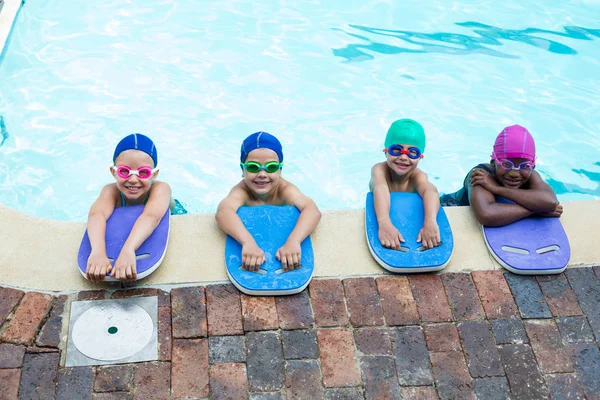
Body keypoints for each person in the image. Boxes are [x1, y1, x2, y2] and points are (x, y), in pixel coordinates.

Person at [85, 133, 185, 282]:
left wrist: (128, 249)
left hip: (165, 214)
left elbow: (151, 216)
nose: (133, 180)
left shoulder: (161, 188)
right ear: (114, 172)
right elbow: (96, 215)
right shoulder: (111, 191)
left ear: (154, 175)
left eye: (143, 173)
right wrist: (98, 251)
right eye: (124, 171)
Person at [216, 131, 321, 272]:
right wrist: (247, 242)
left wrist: (294, 241)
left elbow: (312, 211)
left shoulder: (285, 190)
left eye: (271, 167)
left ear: (280, 170)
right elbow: (223, 212)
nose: (262, 174)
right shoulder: (241, 192)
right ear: (243, 170)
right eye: (253, 167)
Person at [439, 124, 562, 226]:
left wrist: (497, 189)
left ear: (532, 166)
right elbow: (487, 215)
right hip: (447, 208)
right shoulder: (480, 175)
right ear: (493, 163)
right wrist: (537, 210)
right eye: (506, 164)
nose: (514, 173)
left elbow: (550, 202)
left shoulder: (529, 174)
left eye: (524, 166)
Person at [369, 118, 441, 250]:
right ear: (385, 151)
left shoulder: (418, 176)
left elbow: (430, 191)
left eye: (412, 153)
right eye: (396, 150)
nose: (403, 157)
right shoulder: (379, 170)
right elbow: (380, 188)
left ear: (420, 157)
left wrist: (430, 221)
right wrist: (384, 222)